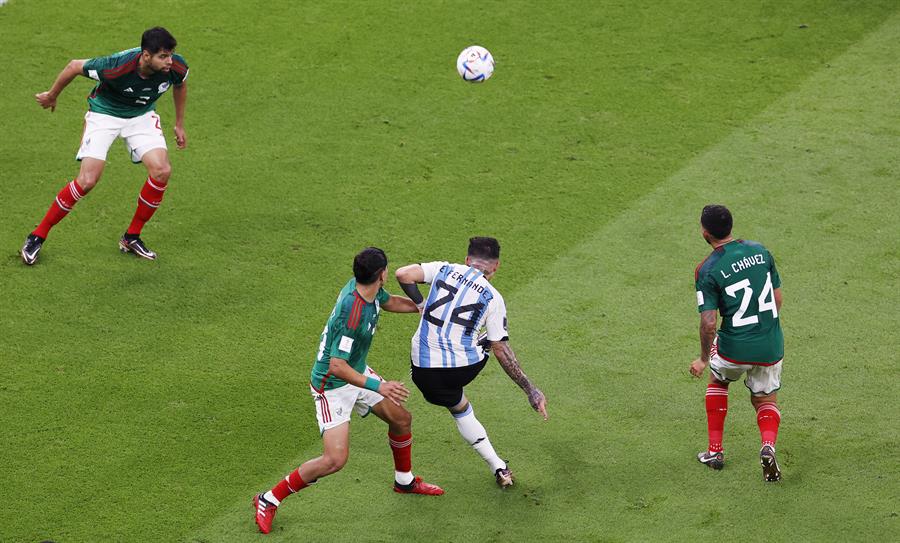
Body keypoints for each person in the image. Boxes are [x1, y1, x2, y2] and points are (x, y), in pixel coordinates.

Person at [253, 247, 443, 535]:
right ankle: (269, 498)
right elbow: (338, 366)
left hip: (357, 372)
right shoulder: (352, 315)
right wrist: (380, 385)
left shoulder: (367, 290)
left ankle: (404, 480)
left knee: (402, 419)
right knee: (334, 460)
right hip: (333, 386)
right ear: (382, 274)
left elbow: (388, 301)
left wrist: (424, 308)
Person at [21, 26, 189, 265]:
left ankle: (131, 237)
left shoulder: (176, 67)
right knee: (87, 180)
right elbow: (73, 66)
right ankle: (37, 236)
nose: (169, 61)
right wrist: (52, 95)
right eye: (163, 56)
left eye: (171, 54)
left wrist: (179, 124)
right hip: (105, 114)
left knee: (162, 171)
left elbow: (180, 85)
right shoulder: (115, 66)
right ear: (145, 55)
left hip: (141, 116)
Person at [394, 236, 548, 488]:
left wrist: (421, 304)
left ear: (467, 260)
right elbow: (502, 351)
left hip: (421, 372)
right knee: (493, 340)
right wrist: (530, 390)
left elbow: (403, 274)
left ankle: (498, 464)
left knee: (459, 407)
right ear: (495, 266)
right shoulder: (493, 298)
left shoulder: (445, 269)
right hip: (460, 370)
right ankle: (498, 467)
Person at [689, 205, 784, 482]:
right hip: (770, 344)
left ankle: (715, 452)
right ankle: (768, 445)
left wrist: (704, 358)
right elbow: (777, 300)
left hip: (734, 347)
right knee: (765, 399)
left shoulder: (707, 269)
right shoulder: (761, 251)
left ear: (705, 233)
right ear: (731, 226)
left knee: (718, 380)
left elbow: (709, 323)